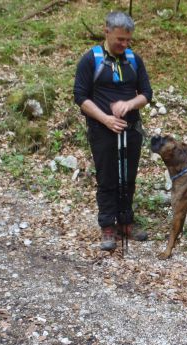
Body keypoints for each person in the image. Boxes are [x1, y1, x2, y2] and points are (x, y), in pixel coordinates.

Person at [73, 11, 153, 250]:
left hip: (131, 128)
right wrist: (106, 119)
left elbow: (147, 94)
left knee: (128, 177)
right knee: (107, 178)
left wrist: (129, 104)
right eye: (120, 39)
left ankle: (126, 221)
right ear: (106, 31)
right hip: (102, 129)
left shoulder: (134, 60)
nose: (125, 44)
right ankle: (108, 225)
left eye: (128, 40)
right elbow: (80, 97)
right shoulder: (91, 60)